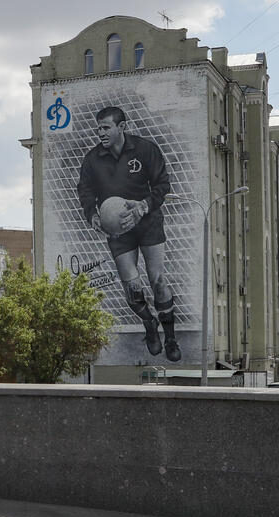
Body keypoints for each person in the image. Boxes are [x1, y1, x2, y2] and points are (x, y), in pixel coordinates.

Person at [77, 106, 180, 362]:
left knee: (157, 280)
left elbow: (162, 185)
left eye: (106, 128)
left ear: (121, 127)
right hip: (118, 229)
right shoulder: (92, 160)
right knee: (132, 287)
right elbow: (85, 190)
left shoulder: (145, 149)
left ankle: (171, 337)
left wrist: (143, 206)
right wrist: (93, 214)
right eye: (98, 128)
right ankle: (149, 323)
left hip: (147, 221)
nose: (100, 132)